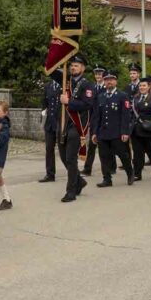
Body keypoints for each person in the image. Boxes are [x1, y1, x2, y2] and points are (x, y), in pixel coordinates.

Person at [58, 55, 95, 203]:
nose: (73, 68)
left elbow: (88, 104)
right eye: (72, 65)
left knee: (71, 158)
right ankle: (79, 181)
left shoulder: (87, 85)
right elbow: (51, 71)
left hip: (77, 124)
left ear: (83, 68)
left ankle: (71, 191)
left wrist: (69, 101)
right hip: (64, 123)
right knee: (63, 156)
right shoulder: (65, 81)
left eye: (76, 65)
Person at [91, 71, 134, 188]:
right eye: (106, 79)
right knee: (104, 156)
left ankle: (130, 172)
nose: (109, 82)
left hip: (117, 132)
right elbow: (97, 116)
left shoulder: (122, 95)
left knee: (122, 154)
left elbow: (126, 116)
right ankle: (107, 179)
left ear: (116, 81)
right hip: (103, 132)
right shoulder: (100, 96)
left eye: (111, 79)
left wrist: (125, 132)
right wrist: (95, 132)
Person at [130, 77, 151, 182]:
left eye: (144, 86)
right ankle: (137, 174)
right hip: (136, 130)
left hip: (149, 129)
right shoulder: (135, 98)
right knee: (137, 153)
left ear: (149, 87)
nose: (141, 87)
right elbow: (132, 113)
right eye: (140, 86)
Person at [82, 65, 106, 177]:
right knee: (91, 146)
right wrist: (88, 120)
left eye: (100, 74)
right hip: (94, 120)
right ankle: (87, 169)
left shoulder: (107, 87)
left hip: (105, 120)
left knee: (105, 147)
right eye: (96, 74)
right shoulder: (92, 87)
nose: (98, 76)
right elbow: (89, 105)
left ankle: (110, 167)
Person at [38, 75, 61, 183]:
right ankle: (50, 174)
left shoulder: (65, 85)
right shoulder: (48, 86)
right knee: (49, 149)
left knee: (64, 151)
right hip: (49, 123)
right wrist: (42, 120)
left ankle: (74, 174)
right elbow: (44, 104)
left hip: (61, 123)